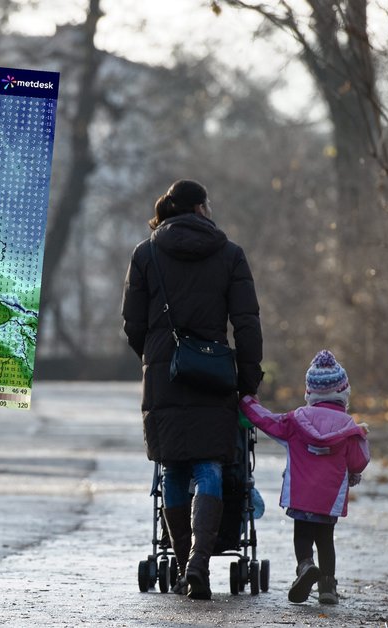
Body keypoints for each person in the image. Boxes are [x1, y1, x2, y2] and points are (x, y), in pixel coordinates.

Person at [122, 179, 263, 600]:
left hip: (165, 373)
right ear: (201, 208)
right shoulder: (230, 254)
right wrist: (247, 379)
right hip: (215, 374)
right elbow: (247, 322)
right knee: (210, 466)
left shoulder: (145, 253)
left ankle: (187, 568)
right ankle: (199, 564)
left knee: (174, 467)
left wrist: (155, 357)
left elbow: (132, 324)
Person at [239, 350, 370, 605]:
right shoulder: (348, 427)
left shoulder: (296, 420)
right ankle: (327, 587)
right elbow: (358, 462)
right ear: (343, 394)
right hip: (329, 498)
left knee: (302, 536)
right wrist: (359, 441)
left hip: (300, 495)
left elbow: (266, 420)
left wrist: (246, 401)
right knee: (325, 540)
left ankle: (305, 565)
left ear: (310, 393)